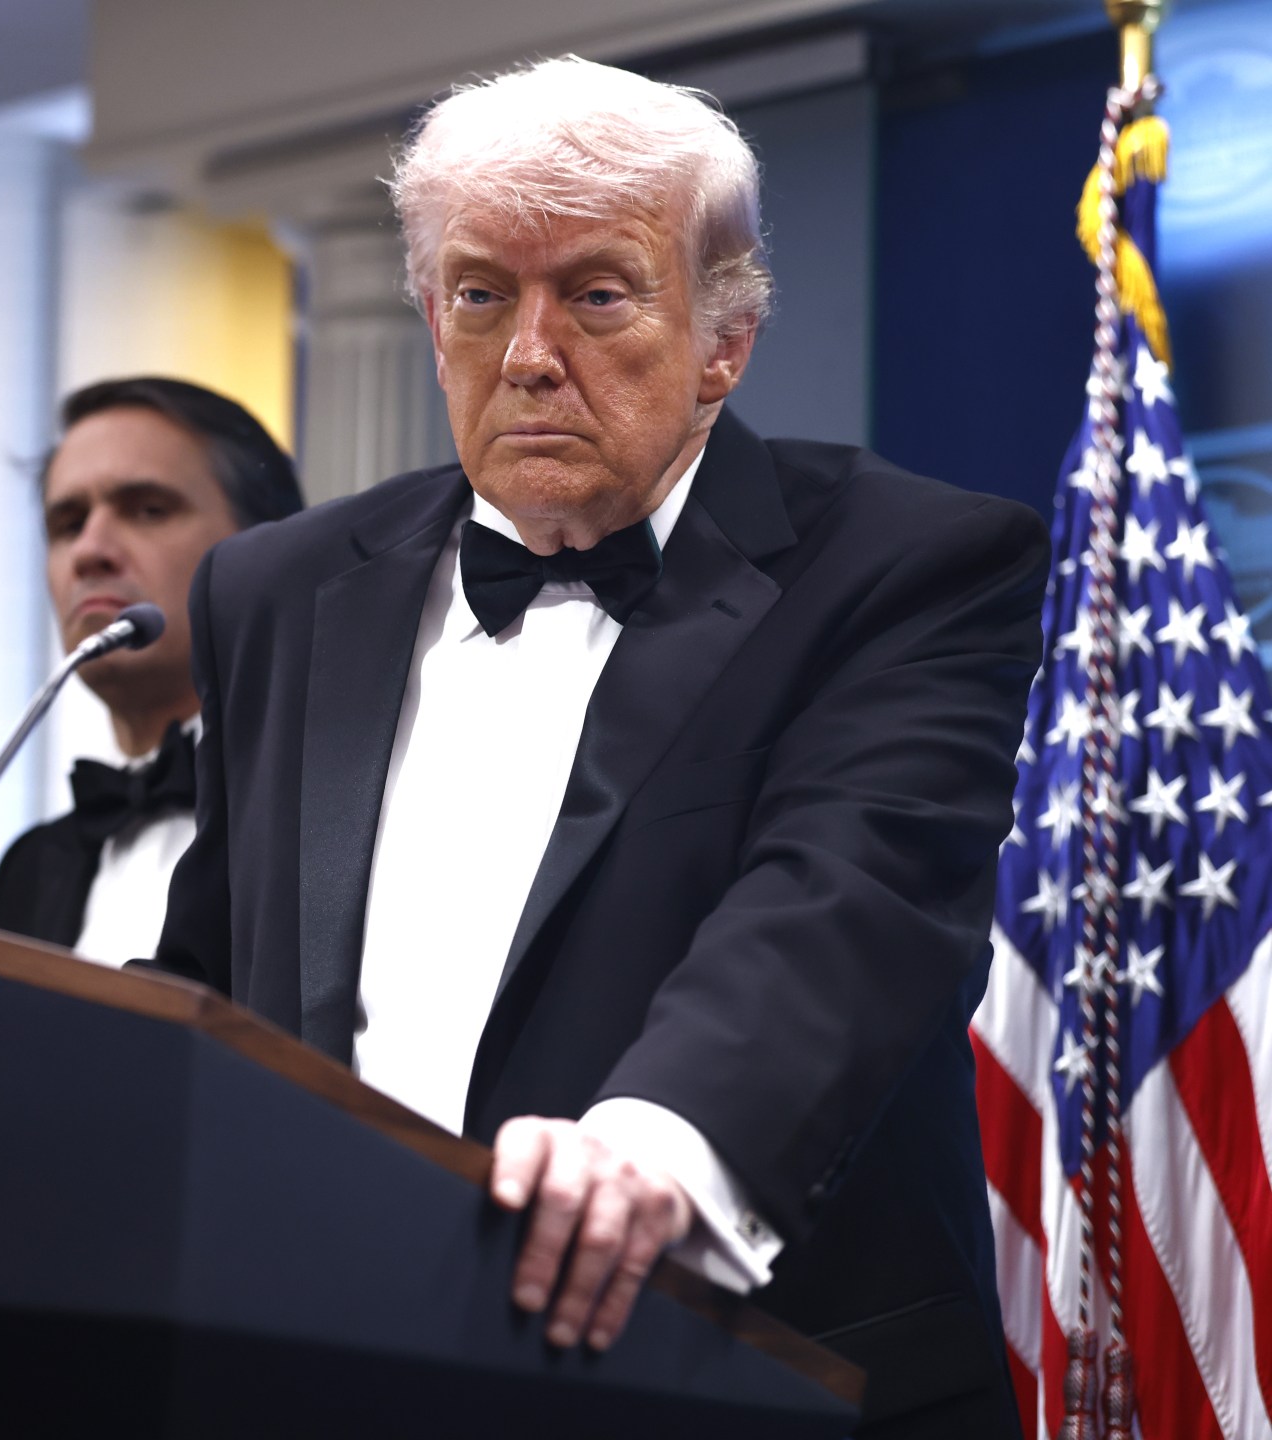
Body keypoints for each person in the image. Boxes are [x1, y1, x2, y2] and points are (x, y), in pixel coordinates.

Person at [146, 58, 1045, 1438]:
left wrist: (656, 1152)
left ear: (724, 339)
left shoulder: (908, 564)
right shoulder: (276, 587)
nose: (527, 353)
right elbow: (214, 975)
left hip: (749, 1377)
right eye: (480, 293)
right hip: (336, 1372)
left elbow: (846, 903)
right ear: (431, 318)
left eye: (598, 294)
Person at [0, 377, 303, 964]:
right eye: (68, 524)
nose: (90, 551)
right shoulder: (28, 871)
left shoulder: (337, 822)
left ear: (269, 550)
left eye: (149, 510)